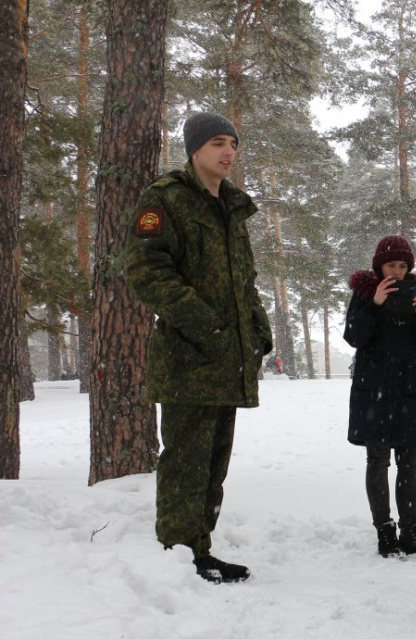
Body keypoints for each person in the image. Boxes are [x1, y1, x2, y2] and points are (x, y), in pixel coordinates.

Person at [125, 110, 273, 584]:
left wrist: (257, 328)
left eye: (232, 143)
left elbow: (242, 282)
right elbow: (146, 271)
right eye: (217, 144)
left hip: (228, 358)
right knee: (185, 462)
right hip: (188, 357)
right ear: (194, 149)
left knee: (213, 465)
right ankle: (177, 553)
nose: (229, 152)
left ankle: (200, 550)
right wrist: (203, 321)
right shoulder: (165, 198)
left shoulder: (231, 206)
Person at [344, 234, 416, 560]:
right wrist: (375, 305)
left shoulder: (415, 294)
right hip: (374, 392)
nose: (396, 271)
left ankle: (410, 532)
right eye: (390, 265)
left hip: (409, 389)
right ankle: (385, 530)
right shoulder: (365, 293)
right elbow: (355, 336)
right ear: (378, 266)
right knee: (378, 461)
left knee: (409, 464)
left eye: (402, 265)